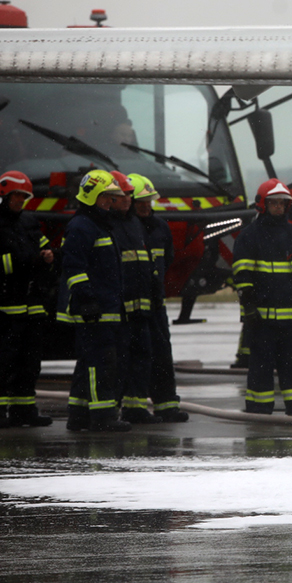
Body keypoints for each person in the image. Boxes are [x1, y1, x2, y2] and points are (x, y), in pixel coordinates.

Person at [232, 179, 292, 417]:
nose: (279, 208)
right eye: (274, 203)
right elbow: (242, 274)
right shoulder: (250, 236)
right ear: (263, 204)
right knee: (260, 367)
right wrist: (248, 304)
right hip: (262, 320)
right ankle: (259, 408)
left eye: (283, 203)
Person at [57, 170, 131, 431]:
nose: (110, 204)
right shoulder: (82, 227)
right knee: (101, 363)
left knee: (88, 362)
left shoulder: (98, 226)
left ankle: (78, 415)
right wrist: (87, 299)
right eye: (106, 199)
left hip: (104, 308)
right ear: (92, 197)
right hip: (93, 310)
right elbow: (74, 267)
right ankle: (103, 417)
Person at [0, 170, 56, 429]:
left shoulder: (28, 222)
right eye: (17, 195)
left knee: (29, 362)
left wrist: (49, 258)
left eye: (24, 196)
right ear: (3, 194)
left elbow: (44, 249)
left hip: (31, 305)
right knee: (1, 360)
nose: (21, 201)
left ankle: (23, 409)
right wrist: (29, 261)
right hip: (3, 305)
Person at [128, 173, 188, 422]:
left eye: (148, 201)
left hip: (156, 303)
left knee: (162, 353)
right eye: (140, 201)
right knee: (136, 356)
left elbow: (169, 259)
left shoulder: (161, 227)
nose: (145, 206)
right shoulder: (125, 228)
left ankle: (166, 405)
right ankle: (134, 407)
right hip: (131, 305)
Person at [108, 171, 160, 424]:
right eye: (124, 195)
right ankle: (110, 409)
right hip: (120, 309)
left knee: (141, 356)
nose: (129, 200)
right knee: (118, 360)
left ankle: (135, 407)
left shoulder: (133, 224)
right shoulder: (108, 225)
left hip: (141, 308)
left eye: (130, 195)